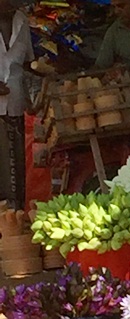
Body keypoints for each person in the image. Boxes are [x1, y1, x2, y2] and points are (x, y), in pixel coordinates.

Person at [0, 0, 34, 210]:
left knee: (16, 165)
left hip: (16, 103)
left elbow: (29, 62)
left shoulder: (22, 22)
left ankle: (15, 216)